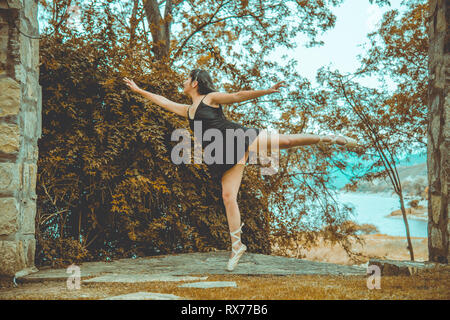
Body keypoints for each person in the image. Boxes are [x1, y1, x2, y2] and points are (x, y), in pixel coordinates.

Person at [123, 69, 357, 271]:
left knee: (284, 142)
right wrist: (138, 90)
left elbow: (237, 96)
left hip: (237, 138)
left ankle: (330, 138)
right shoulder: (188, 110)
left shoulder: (210, 98)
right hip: (221, 155)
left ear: (195, 82)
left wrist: (266, 91)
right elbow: (162, 101)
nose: (183, 82)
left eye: (187, 78)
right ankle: (237, 246)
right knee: (228, 197)